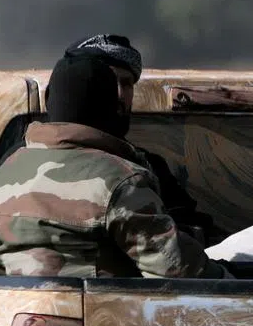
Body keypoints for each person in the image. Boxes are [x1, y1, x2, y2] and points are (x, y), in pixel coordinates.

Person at [0, 55, 228, 279]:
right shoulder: (121, 181)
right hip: (106, 324)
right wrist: (234, 279)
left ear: (48, 100)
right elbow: (177, 270)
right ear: (113, 105)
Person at [61, 34, 213, 240]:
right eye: (107, 82)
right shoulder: (35, 159)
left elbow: (188, 231)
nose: (119, 94)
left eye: (126, 84)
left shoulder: (147, 166)